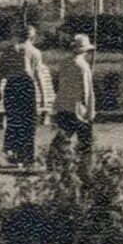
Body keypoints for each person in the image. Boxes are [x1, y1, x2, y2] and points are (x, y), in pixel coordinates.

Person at [0, 25, 47, 166]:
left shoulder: (9, 50)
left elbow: (0, 72)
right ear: (32, 37)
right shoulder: (35, 52)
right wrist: (43, 96)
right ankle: (27, 156)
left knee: (13, 120)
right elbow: (38, 75)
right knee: (28, 122)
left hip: (11, 86)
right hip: (26, 86)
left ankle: (12, 152)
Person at [49, 34, 96, 169]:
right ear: (85, 51)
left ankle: (53, 161)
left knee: (63, 135)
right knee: (85, 139)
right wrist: (90, 111)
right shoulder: (83, 67)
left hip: (63, 105)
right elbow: (87, 92)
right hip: (77, 108)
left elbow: (58, 83)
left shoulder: (64, 63)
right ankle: (85, 166)